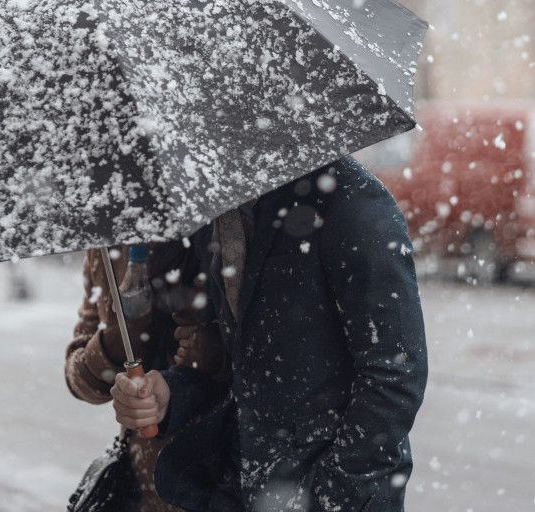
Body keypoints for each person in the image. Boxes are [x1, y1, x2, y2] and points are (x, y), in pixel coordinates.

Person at [110, 156, 429, 512]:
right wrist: (170, 395)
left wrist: (333, 491)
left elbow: (396, 374)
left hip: (326, 493)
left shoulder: (351, 198)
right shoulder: (218, 209)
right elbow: (240, 364)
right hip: (242, 485)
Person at [65, 241, 226, 512]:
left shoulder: (223, 229)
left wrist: (218, 351)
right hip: (143, 480)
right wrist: (113, 343)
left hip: (220, 475)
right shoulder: (105, 247)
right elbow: (79, 381)